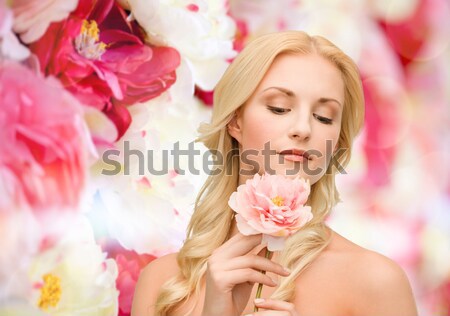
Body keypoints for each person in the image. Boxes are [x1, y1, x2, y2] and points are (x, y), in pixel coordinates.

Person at [131, 30, 418, 316]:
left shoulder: (375, 282)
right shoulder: (161, 283)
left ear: (337, 142)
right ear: (235, 121)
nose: (304, 129)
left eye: (324, 117)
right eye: (279, 108)